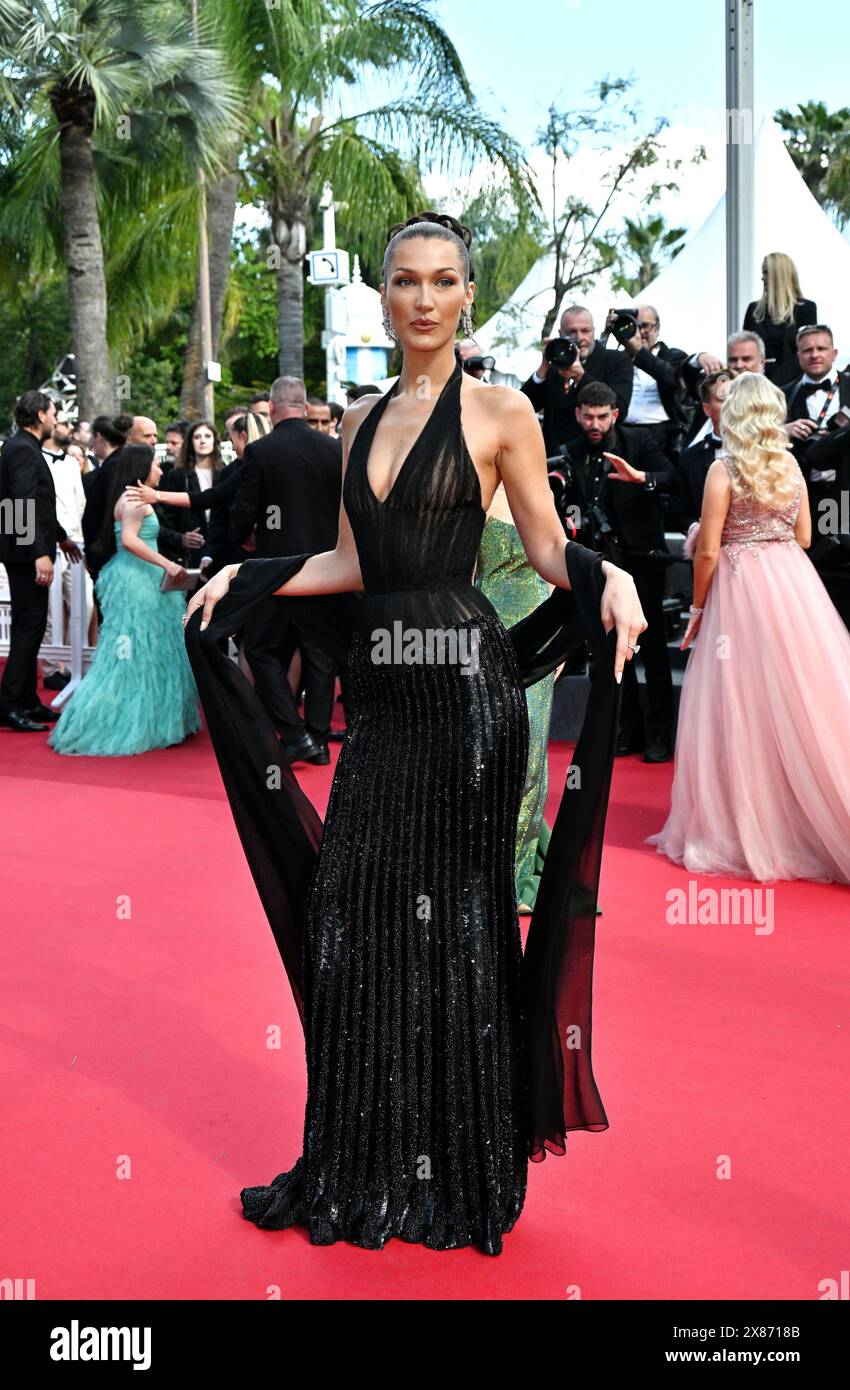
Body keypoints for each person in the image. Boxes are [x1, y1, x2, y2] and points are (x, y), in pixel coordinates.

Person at [182, 209, 645, 1257]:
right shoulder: (355, 420)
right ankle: (363, 1159)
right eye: (405, 280)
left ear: (467, 295)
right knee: (353, 914)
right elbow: (351, 560)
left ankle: (461, 1168)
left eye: (443, 280)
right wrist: (244, 575)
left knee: (461, 925)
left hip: (466, 699)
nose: (424, 298)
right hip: (384, 696)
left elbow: (540, 539)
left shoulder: (502, 411)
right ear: (381, 293)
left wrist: (604, 573)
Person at [649, 372, 850, 883]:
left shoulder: (724, 470)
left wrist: (695, 611)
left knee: (741, 705)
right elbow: (804, 537)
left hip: (740, 594)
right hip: (793, 588)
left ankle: (752, 826)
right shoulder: (790, 465)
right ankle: (807, 816)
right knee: (804, 700)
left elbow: (711, 549)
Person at [49, 445, 200, 757]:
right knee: (133, 652)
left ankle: (154, 720)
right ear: (142, 467)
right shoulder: (132, 499)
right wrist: (167, 564)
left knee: (147, 650)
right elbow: (130, 541)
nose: (161, 470)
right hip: (136, 581)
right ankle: (117, 721)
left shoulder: (134, 497)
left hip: (140, 579)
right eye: (157, 464)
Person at [229, 377, 346, 765]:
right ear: (307, 408)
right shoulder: (335, 449)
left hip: (276, 569)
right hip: (326, 567)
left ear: (274, 408)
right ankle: (315, 738)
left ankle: (294, 734)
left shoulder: (262, 451)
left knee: (260, 648)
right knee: (320, 655)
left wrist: (243, 538)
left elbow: (245, 509)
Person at [561, 381, 675, 761]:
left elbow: (674, 478)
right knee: (605, 651)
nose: (594, 424)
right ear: (578, 414)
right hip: (599, 567)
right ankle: (623, 732)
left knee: (653, 652)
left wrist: (641, 478)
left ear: (615, 415)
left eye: (601, 417)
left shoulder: (639, 442)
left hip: (642, 561)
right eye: (588, 416)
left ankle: (659, 736)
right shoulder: (569, 451)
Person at [475, 478, 554, 914]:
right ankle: (481, 868)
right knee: (492, 752)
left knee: (532, 752)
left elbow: (556, 564)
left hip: (538, 633)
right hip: (487, 634)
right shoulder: (472, 492)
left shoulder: (537, 489)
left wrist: (558, 642)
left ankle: (517, 871)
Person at [0, 391, 82, 731]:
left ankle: (25, 700)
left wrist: (60, 536)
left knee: (31, 624)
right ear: (39, 415)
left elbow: (40, 503)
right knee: (28, 624)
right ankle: (10, 703)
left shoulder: (23, 447)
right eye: (53, 413)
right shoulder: (21, 448)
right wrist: (39, 554)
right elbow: (20, 503)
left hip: (26, 547)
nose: (55, 419)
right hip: (24, 552)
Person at [521, 304, 633, 454]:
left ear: (594, 331)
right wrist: (544, 367)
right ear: (560, 333)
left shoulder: (617, 360)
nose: (580, 337)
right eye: (572, 332)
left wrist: (581, 376)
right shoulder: (555, 364)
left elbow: (620, 409)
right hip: (553, 457)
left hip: (596, 459)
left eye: (585, 331)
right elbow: (524, 407)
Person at [613, 304, 689, 461]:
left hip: (659, 435)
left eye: (645, 326)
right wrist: (607, 333)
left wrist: (638, 351)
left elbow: (671, 379)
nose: (640, 331)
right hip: (621, 433)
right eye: (635, 325)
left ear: (658, 329)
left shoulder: (673, 355)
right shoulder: (618, 359)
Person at [743, 252, 817, 386]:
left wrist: (776, 384)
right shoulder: (754, 310)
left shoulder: (806, 309)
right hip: (757, 384)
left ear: (778, 275)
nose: (762, 278)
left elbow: (806, 350)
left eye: (766, 273)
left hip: (793, 384)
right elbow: (745, 351)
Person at [675, 371, 734, 529]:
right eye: (723, 400)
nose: (732, 405)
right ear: (707, 409)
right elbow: (681, 513)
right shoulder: (690, 458)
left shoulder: (765, 451)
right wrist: (698, 532)